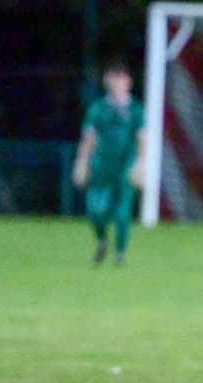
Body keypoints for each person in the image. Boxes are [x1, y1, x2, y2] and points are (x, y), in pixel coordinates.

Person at [72, 62, 145, 266]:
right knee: (96, 209)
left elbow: (142, 138)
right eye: (114, 78)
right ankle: (102, 240)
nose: (117, 83)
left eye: (121, 78)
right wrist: (82, 161)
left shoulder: (135, 109)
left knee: (122, 212)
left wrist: (141, 163)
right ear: (107, 81)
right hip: (101, 165)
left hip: (125, 166)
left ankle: (120, 253)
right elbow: (88, 138)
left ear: (128, 82)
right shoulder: (98, 108)